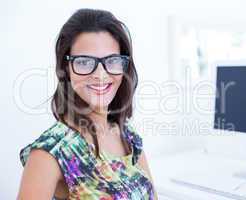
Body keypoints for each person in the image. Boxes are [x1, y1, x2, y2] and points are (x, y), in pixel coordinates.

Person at [17, 8, 157, 200]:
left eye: (112, 60)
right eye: (84, 62)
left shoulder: (127, 134)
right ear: (66, 68)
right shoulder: (51, 151)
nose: (100, 75)